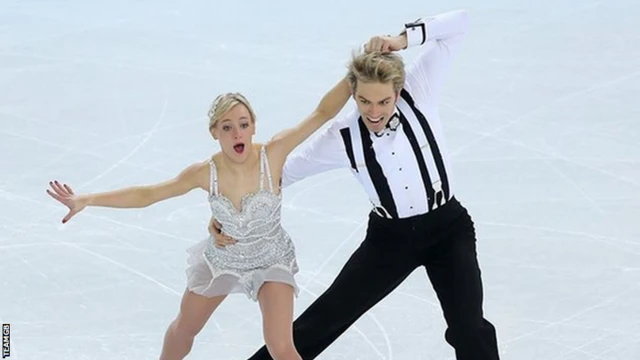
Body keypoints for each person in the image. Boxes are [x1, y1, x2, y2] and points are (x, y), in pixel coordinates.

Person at [210, 9, 500, 360]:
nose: (373, 112)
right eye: (364, 101)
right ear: (353, 93)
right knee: (327, 317)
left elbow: (460, 23)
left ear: (398, 89)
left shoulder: (420, 90)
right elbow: (278, 175)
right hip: (390, 241)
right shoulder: (344, 137)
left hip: (448, 228)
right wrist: (225, 212)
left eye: (383, 101)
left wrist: (402, 40)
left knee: (469, 327)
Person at [46, 75, 351, 360]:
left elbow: (322, 113)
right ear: (214, 132)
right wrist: (87, 199)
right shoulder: (205, 173)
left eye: (243, 124)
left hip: (271, 258)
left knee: (281, 346)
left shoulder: (272, 154)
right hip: (223, 259)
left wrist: (357, 71)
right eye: (227, 127)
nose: (237, 133)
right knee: (185, 328)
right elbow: (148, 194)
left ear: (254, 126)